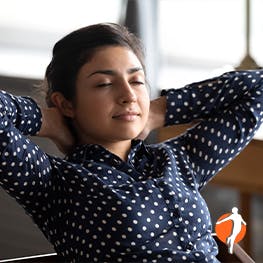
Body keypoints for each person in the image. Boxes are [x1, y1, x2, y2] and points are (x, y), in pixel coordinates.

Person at [0, 23, 262, 263]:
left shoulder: (179, 159)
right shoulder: (56, 182)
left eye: (137, 81)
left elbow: (258, 89)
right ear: (66, 103)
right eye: (104, 83)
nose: (128, 95)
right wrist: (46, 120)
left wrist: (161, 110)